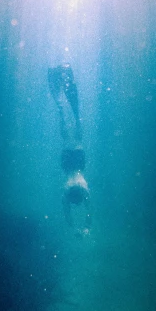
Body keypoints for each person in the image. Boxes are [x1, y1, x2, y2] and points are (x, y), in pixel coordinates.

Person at [48, 65, 91, 231]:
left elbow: (89, 210)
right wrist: (77, 228)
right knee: (66, 137)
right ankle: (60, 106)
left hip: (78, 160)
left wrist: (87, 226)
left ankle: (73, 112)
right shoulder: (67, 191)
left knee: (78, 131)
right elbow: (67, 212)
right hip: (67, 163)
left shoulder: (82, 188)